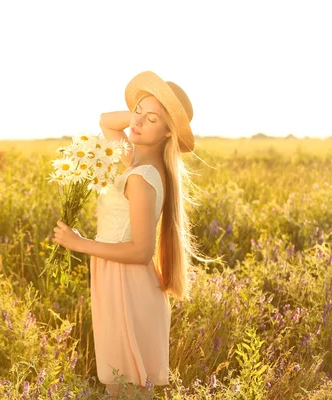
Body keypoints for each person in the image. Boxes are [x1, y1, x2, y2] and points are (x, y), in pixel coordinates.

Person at [53, 71, 211, 399]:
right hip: (116, 276)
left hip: (127, 282)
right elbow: (107, 122)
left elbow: (141, 251)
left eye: (151, 120)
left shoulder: (140, 176)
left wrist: (79, 243)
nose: (136, 123)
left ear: (168, 133)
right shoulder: (132, 159)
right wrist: (152, 109)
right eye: (137, 113)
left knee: (124, 385)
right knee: (121, 385)